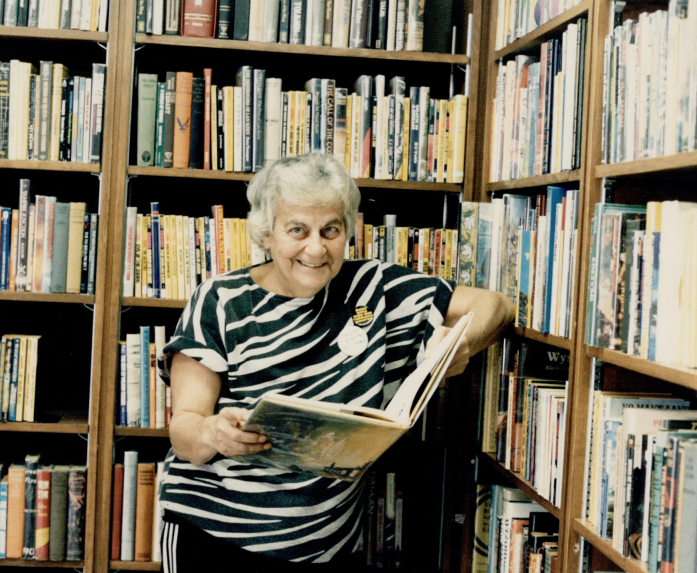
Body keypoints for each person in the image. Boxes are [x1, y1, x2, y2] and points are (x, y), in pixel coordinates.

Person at [157, 152, 514, 573]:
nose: (316, 247)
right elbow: (185, 432)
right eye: (297, 230)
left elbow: (496, 305)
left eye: (331, 229)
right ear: (266, 234)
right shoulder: (220, 300)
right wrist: (212, 432)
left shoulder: (374, 288)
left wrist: (460, 344)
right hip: (213, 539)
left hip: (326, 549)